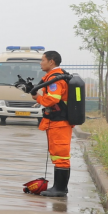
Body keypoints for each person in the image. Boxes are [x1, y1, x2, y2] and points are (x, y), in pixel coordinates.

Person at [32, 50, 72, 197]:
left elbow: (53, 99)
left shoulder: (55, 79)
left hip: (59, 123)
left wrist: (38, 98)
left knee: (61, 155)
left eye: (42, 60)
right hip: (58, 122)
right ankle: (59, 187)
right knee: (57, 154)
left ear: (51, 61)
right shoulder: (54, 77)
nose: (40, 63)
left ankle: (60, 189)